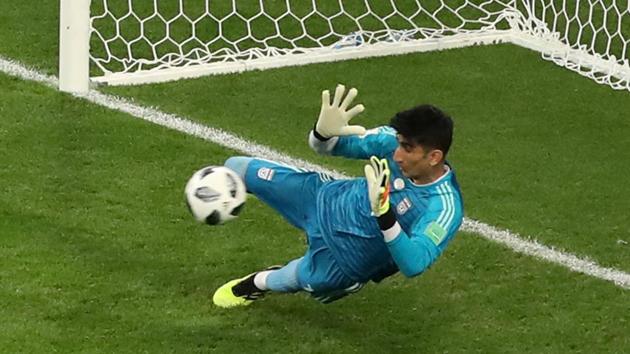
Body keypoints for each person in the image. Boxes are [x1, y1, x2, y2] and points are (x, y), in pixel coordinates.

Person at [212, 84, 464, 307]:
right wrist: (322, 133)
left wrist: (384, 214)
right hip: (324, 198)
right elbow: (327, 147)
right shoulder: (389, 142)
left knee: (294, 279)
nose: (397, 154)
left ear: (434, 157)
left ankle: (255, 283)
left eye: (407, 148)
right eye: (399, 143)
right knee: (235, 168)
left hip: (345, 259)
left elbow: (414, 264)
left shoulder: (443, 207)